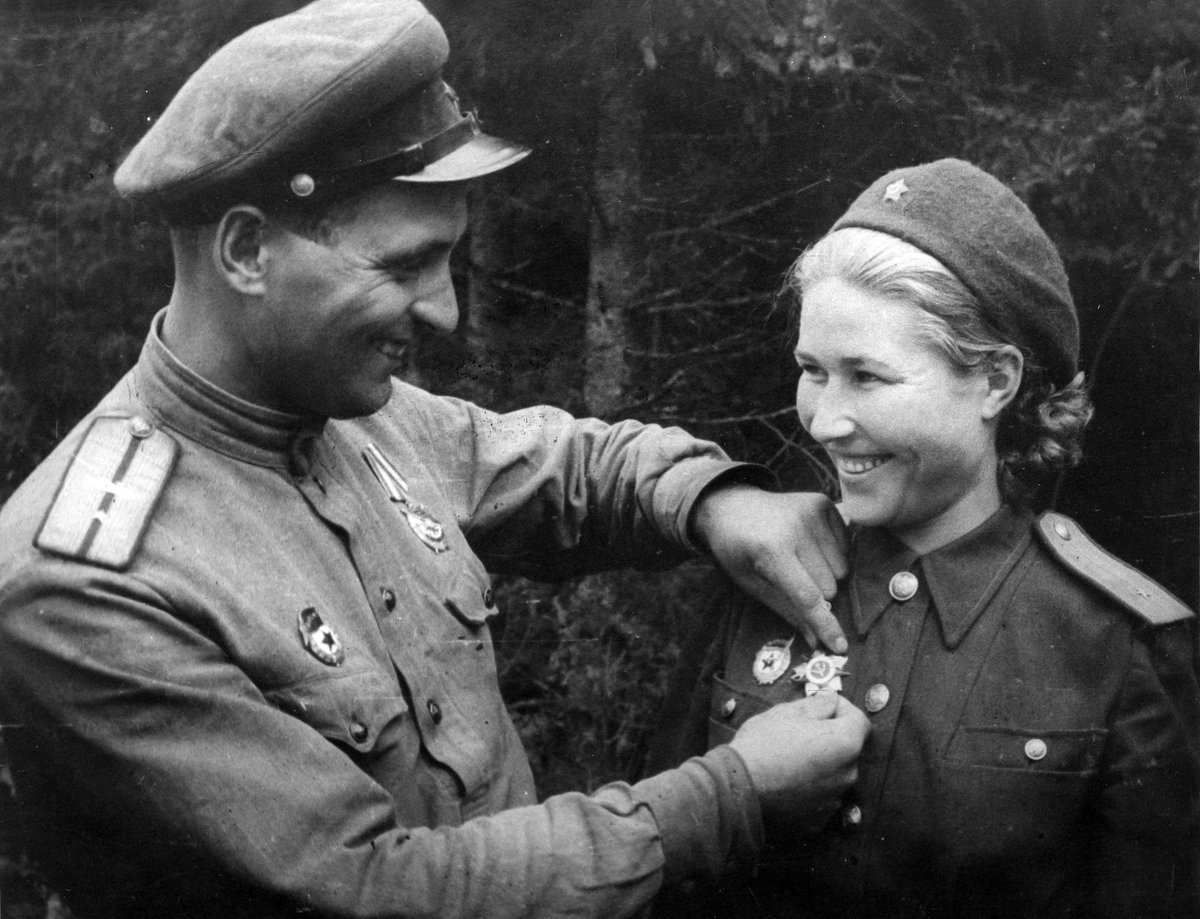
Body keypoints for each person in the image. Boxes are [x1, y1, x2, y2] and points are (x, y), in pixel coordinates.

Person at [0, 2, 872, 918]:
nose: (445, 312)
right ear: (248, 249)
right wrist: (730, 797)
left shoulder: (342, 410)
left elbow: (563, 466)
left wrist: (712, 501)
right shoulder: (84, 589)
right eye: (405, 263)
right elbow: (372, 887)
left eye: (448, 259)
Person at [650, 158, 1200, 918]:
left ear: (995, 382)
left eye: (868, 377)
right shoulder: (765, 573)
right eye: (812, 370)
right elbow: (661, 875)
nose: (825, 420)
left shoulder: (1116, 642)